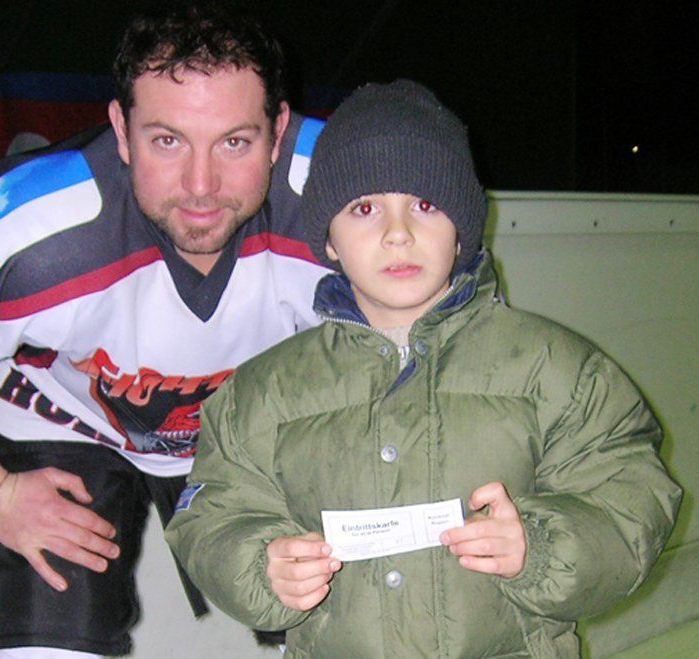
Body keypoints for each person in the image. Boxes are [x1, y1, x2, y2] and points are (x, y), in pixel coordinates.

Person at [0, 3, 330, 657]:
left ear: (278, 132)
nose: (201, 185)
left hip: (262, 428)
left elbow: (436, 351)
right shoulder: (25, 225)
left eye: (235, 142)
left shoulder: (354, 195)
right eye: (167, 140)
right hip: (65, 419)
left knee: (373, 621)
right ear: (121, 130)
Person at [165, 79, 682, 657]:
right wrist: (262, 567)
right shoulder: (263, 393)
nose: (398, 233)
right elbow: (211, 516)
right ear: (328, 239)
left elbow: (629, 498)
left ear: (461, 231)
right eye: (364, 209)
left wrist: (539, 548)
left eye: (426, 205)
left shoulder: (559, 371)